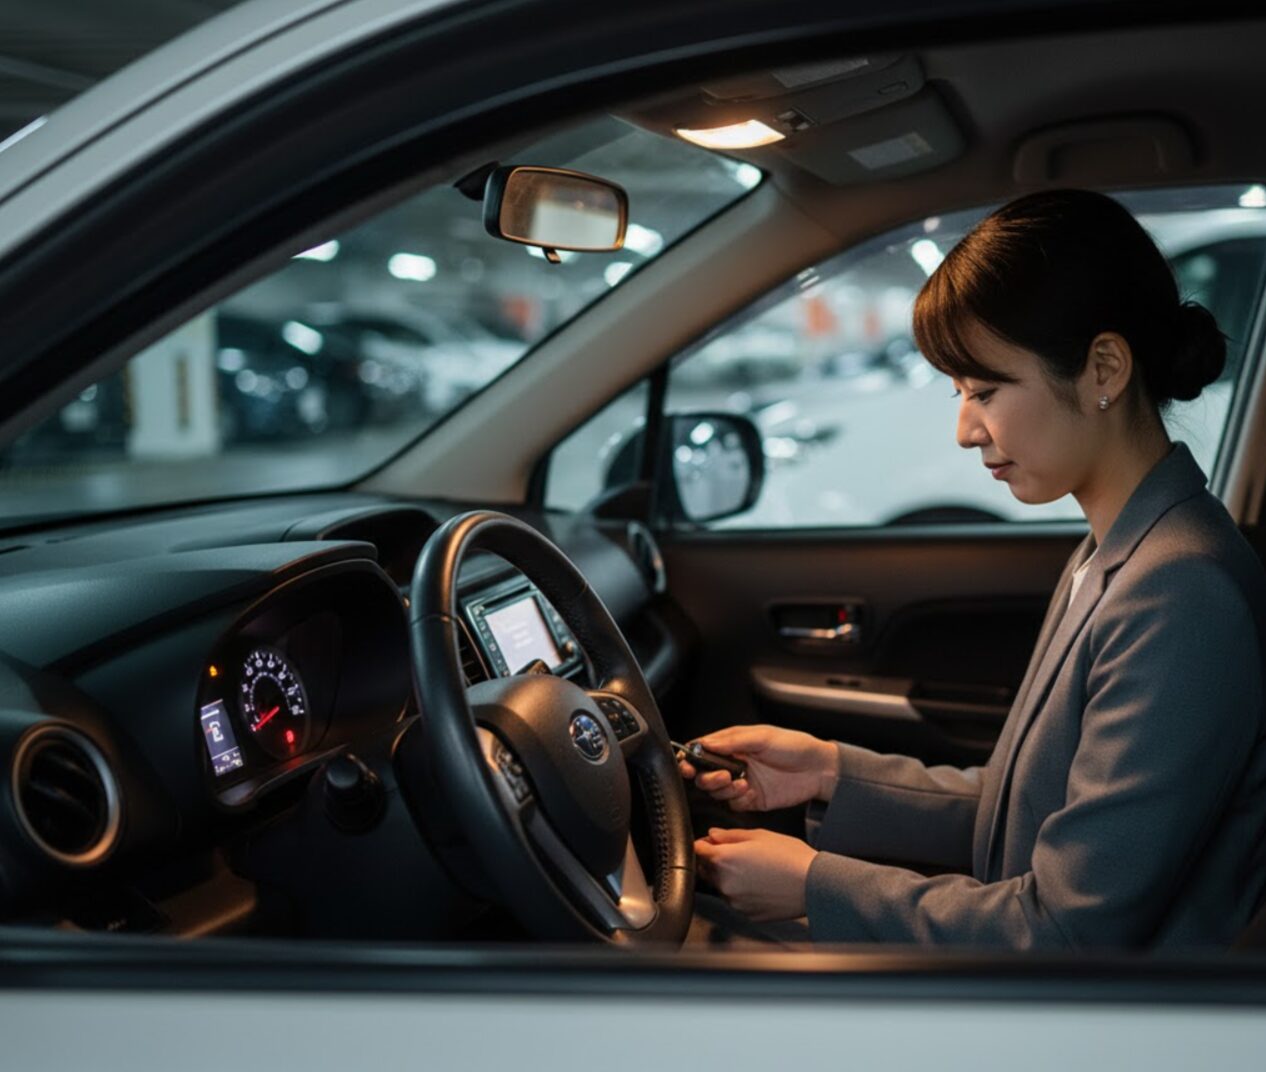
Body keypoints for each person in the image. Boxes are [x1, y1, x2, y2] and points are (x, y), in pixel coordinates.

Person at [682, 189, 1266, 949]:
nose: (965, 429)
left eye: (985, 390)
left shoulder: (1179, 589)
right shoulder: (1117, 548)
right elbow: (1018, 809)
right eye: (959, 393)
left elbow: (1068, 928)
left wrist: (811, 885)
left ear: (1105, 368)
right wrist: (829, 772)